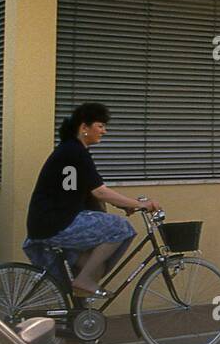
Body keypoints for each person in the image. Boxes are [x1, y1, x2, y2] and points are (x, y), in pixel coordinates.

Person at [25, 102, 161, 297]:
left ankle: (81, 309)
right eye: (100, 126)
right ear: (84, 127)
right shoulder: (75, 153)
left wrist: (122, 204)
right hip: (57, 224)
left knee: (93, 263)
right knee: (121, 228)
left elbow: (82, 190)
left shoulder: (69, 150)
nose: (104, 131)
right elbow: (100, 192)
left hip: (48, 223)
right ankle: (83, 281)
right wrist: (140, 204)